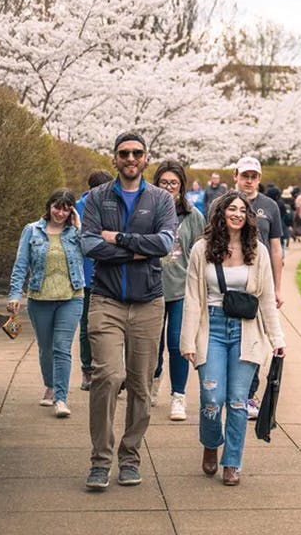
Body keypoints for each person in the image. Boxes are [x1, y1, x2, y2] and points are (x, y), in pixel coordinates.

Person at [80, 131, 178, 491]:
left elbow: (165, 244)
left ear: (146, 158)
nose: (131, 158)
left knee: (140, 383)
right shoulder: (97, 199)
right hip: (106, 300)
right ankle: (100, 460)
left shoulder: (160, 200)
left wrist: (118, 239)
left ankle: (130, 456)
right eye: (124, 153)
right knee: (106, 376)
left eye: (137, 153)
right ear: (115, 159)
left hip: (148, 303)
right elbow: (89, 244)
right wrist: (139, 250)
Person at [180, 190, 286, 487]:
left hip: (246, 331)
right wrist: (187, 340)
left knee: (238, 402)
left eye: (243, 210)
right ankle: (211, 443)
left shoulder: (258, 251)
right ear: (221, 213)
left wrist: (277, 339)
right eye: (232, 209)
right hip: (210, 328)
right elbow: (192, 297)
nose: (237, 214)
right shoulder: (202, 250)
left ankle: (232, 462)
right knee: (212, 398)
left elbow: (265, 299)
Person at [7, 189, 85, 419]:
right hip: (39, 298)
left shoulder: (75, 233)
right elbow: (21, 264)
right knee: (46, 348)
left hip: (71, 298)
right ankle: (50, 385)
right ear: (49, 206)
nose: (60, 212)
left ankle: (61, 398)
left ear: (71, 210)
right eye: (56, 207)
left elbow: (91, 251)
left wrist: (79, 226)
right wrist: (14, 294)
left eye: (66, 208)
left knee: (62, 348)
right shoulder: (32, 230)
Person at [150, 160, 207, 421]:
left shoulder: (194, 216)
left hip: (181, 289)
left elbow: (201, 254)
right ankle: (154, 380)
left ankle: (178, 397)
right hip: (150, 287)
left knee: (177, 343)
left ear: (182, 186)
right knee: (152, 345)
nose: (170, 187)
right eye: (164, 182)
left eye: (174, 183)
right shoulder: (147, 211)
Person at [231, 156, 284, 419]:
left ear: (259, 179)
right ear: (236, 176)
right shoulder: (225, 204)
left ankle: (249, 394)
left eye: (254, 176)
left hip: (260, 281)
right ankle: (234, 391)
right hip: (231, 279)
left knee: (257, 340)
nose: (249, 181)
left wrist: (277, 287)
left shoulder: (269, 206)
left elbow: (276, 248)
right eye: (245, 176)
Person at [75, 170, 113, 391]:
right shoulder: (104, 206)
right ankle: (102, 369)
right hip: (103, 273)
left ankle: (88, 371)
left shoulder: (79, 207)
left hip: (85, 275)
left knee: (87, 326)